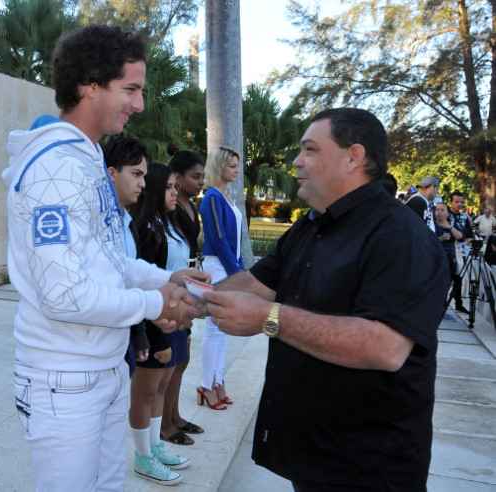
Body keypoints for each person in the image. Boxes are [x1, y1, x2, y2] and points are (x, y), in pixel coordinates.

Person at [1, 25, 207, 492]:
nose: (138, 104)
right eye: (130, 89)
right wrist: (157, 304)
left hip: (105, 366)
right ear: (90, 84)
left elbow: (111, 256)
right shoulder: (56, 168)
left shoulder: (89, 156)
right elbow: (65, 295)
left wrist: (166, 277)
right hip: (65, 379)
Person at [201, 108, 449, 491]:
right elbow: (258, 283)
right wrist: (189, 299)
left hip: (367, 466)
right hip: (311, 455)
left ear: (354, 156)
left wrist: (271, 318)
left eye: (310, 150)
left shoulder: (400, 236)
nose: (297, 161)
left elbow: (385, 346)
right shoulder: (313, 223)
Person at [128, 163, 192, 485]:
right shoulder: (145, 229)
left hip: (173, 321)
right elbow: (143, 286)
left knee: (162, 388)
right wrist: (154, 337)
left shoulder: (171, 222)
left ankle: (154, 446)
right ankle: (143, 456)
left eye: (174, 186)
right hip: (154, 325)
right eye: (168, 187)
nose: (174, 192)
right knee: (146, 392)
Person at [161, 143, 206, 441]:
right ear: (177, 177)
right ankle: (165, 425)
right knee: (173, 356)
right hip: (175, 281)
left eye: (203, 176)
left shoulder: (191, 205)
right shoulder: (171, 206)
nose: (201, 182)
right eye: (195, 176)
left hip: (190, 279)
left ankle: (175, 415)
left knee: (185, 355)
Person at [198, 145, 244, 410]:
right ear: (219, 166)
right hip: (217, 268)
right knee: (214, 330)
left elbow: (235, 242)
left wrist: (238, 268)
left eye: (237, 166)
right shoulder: (212, 197)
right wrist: (235, 271)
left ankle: (217, 382)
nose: (236, 171)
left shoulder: (227, 197)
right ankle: (206, 385)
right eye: (231, 166)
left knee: (222, 330)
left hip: (227, 267)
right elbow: (217, 238)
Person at [103, 137, 151, 375]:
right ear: (111, 173)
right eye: (136, 174)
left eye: (143, 176)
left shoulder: (130, 224)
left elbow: (132, 282)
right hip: (100, 343)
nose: (142, 183)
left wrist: (138, 333)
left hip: (124, 338)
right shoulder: (96, 224)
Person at [435, 203, 463, 313]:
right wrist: (440, 239)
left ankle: (442, 308)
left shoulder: (452, 224)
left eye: (442, 210)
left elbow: (461, 237)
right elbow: (428, 240)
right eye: (437, 210)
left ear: (447, 213)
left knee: (446, 285)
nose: (439, 212)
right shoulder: (432, 224)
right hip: (436, 259)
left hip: (450, 260)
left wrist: (450, 228)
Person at [449, 191, 473, 313]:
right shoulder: (447, 215)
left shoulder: (464, 217)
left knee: (459, 279)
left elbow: (469, 234)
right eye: (457, 202)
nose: (459, 204)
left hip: (461, 251)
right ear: (451, 202)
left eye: (461, 202)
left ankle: (459, 303)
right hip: (448, 251)